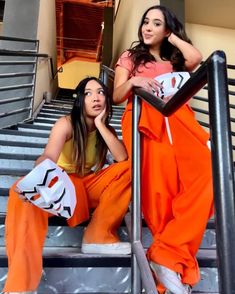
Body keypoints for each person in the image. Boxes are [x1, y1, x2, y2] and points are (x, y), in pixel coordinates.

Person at [113, 5, 213, 294]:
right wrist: (134, 80)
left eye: (156, 24)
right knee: (160, 193)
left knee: (206, 176)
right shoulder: (130, 57)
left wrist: (172, 38)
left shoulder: (176, 61)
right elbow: (117, 96)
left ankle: (166, 254)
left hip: (179, 122)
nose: (147, 27)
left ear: (167, 30)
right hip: (145, 121)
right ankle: (169, 268)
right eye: (145, 22)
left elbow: (196, 59)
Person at [3, 77, 131, 294]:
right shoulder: (66, 123)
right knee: (20, 196)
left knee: (130, 168)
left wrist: (100, 124)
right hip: (61, 185)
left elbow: (121, 158)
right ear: (80, 99)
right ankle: (19, 286)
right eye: (88, 93)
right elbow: (49, 156)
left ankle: (98, 235)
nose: (95, 97)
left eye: (100, 92)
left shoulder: (105, 129)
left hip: (87, 185)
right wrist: (35, 179)